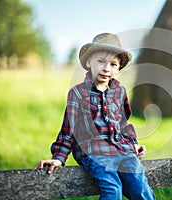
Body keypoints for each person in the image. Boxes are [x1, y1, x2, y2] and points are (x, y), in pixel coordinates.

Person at [37, 33, 155, 200]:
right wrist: (58, 158)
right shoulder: (77, 93)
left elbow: (123, 123)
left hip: (122, 149)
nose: (106, 68)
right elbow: (68, 129)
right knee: (113, 189)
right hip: (95, 151)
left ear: (118, 69)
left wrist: (133, 143)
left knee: (140, 188)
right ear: (88, 62)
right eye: (101, 61)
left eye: (113, 64)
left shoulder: (119, 91)